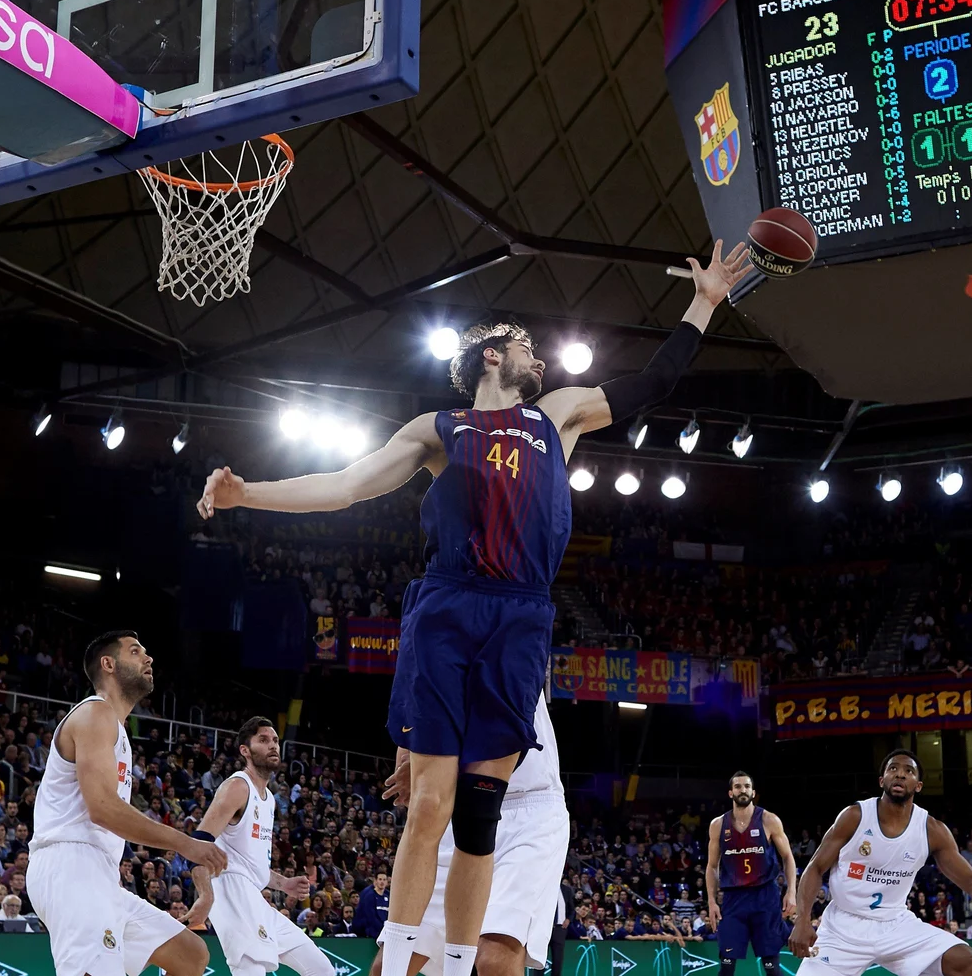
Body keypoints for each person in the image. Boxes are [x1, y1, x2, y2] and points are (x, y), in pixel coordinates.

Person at [199, 240, 753, 976]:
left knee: (480, 810)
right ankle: (400, 958)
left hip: (522, 614)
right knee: (431, 804)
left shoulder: (558, 415)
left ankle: (456, 964)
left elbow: (653, 382)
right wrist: (248, 494)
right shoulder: (437, 428)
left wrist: (704, 303)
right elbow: (347, 484)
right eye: (526, 344)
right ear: (492, 355)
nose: (541, 358)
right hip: (449, 605)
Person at [27, 632, 228, 976]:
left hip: (97, 871)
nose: (148, 659)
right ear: (108, 664)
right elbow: (102, 808)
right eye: (135, 652)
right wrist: (185, 844)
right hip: (70, 866)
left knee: (190, 955)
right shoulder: (95, 713)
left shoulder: (117, 730)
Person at [787, 750, 972, 976]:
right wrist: (802, 920)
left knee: (970, 964)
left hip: (895, 925)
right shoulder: (855, 816)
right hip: (843, 926)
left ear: (918, 785)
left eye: (909, 771)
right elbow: (815, 867)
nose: (900, 774)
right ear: (881, 780)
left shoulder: (931, 830)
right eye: (893, 769)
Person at [388, 698, 570, 976]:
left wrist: (433, 761)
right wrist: (414, 765)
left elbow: (503, 728)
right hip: (457, 808)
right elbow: (408, 741)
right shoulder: (418, 670)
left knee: (495, 959)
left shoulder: (513, 668)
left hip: (528, 807)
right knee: (389, 966)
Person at [185, 717, 333, 976]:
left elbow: (251, 862)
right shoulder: (237, 787)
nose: (272, 745)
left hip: (253, 893)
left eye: (275, 740)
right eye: (263, 740)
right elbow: (198, 843)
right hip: (230, 889)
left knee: (321, 970)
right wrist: (206, 895)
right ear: (245, 750)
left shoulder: (269, 800)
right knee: (251, 970)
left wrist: (283, 883)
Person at [706, 772, 799, 976]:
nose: (743, 790)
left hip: (765, 895)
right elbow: (712, 866)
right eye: (738, 787)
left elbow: (788, 857)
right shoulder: (718, 825)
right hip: (733, 898)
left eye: (747, 786)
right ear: (731, 793)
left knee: (771, 966)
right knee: (727, 964)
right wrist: (711, 901)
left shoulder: (769, 819)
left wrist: (791, 891)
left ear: (753, 792)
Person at [353, 873, 390, 940]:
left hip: (386, 931)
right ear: (375, 881)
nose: (382, 882)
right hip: (372, 932)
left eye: (384, 880)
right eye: (380, 879)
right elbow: (370, 917)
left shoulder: (388, 895)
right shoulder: (369, 895)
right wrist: (382, 929)